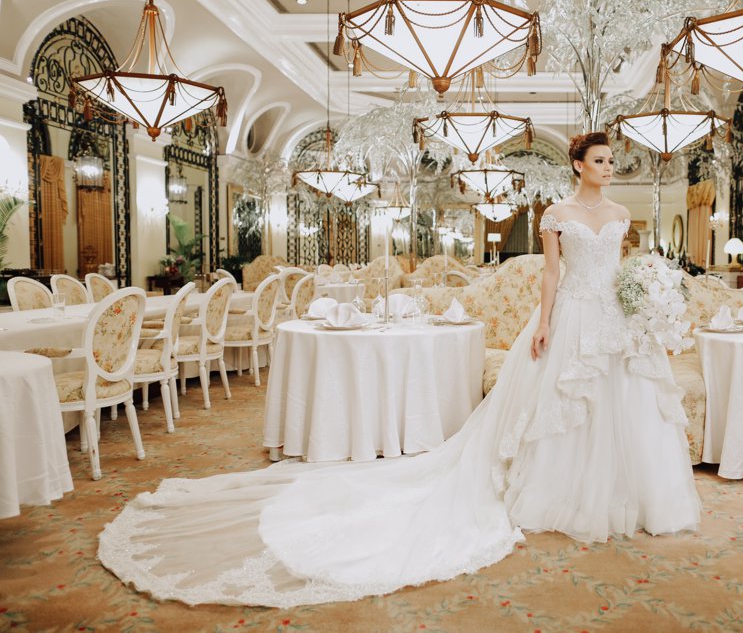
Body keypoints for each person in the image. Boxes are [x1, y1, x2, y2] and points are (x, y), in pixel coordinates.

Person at [98, 132, 701, 607]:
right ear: (578, 164)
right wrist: (543, 322)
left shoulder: (621, 212)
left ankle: (627, 494)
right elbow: (550, 274)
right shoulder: (555, 213)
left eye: (612, 161)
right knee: (561, 405)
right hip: (569, 315)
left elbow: (620, 271)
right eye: (601, 160)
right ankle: (560, 492)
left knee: (625, 403)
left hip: (614, 323)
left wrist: (641, 299)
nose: (610, 168)